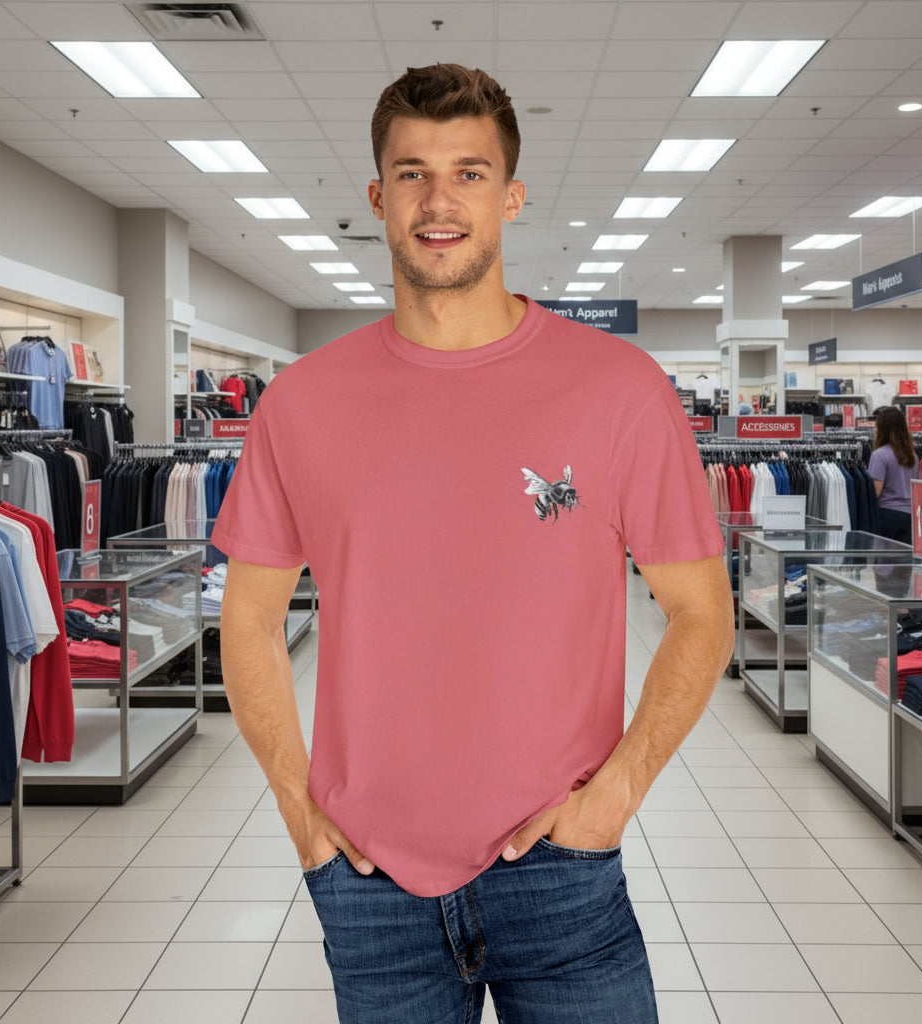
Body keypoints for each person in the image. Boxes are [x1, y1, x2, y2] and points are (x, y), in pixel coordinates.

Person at [212, 63, 734, 1024]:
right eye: (411, 173)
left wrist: (612, 798)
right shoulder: (300, 405)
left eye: (469, 172)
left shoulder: (618, 390)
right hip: (369, 883)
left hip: (563, 871)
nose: (438, 200)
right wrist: (301, 810)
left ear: (512, 195)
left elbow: (704, 614)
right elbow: (246, 621)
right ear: (377, 196)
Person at [868, 405, 919, 543]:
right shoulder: (912, 456)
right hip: (910, 516)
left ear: (882, 428)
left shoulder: (879, 455)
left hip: (887, 515)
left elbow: (875, 491)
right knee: (904, 562)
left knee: (885, 561)